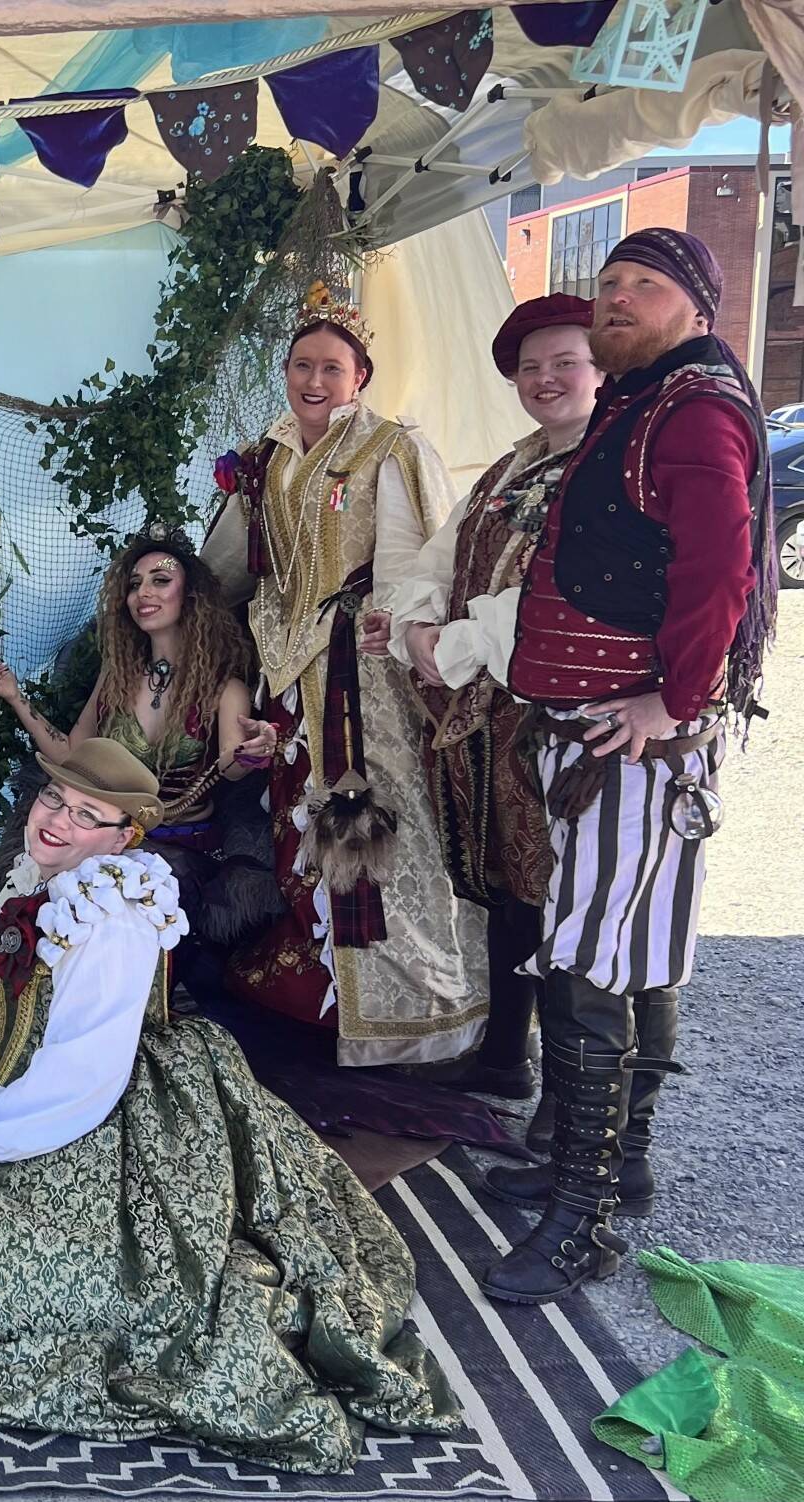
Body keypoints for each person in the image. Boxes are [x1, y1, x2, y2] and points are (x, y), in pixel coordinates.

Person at [0, 739, 460, 1471]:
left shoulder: (109, 913)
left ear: (124, 836)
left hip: (106, 1106)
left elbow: (85, 1072)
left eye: (88, 816)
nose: (57, 821)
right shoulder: (43, 877)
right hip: (48, 1096)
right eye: (53, 800)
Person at [477, 229, 774, 1305]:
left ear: (695, 303)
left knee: (593, 958)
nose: (616, 301)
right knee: (634, 943)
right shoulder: (644, 401)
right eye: (606, 286)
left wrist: (673, 698)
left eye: (642, 287)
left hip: (631, 735)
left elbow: (721, 569)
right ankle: (615, 1164)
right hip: (602, 730)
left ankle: (583, 1218)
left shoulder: (692, 408)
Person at [202, 285, 487, 1066]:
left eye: (333, 366)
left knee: (372, 814)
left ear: (360, 375)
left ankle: (399, 1001)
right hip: (283, 668)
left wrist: (386, 623)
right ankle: (315, 975)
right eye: (302, 365)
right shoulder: (264, 458)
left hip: (358, 679)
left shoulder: (388, 448)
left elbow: (414, 559)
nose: (314, 381)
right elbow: (229, 565)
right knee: (295, 815)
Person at [379, 295, 600, 1100]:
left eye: (563, 362)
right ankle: (508, 1056)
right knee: (505, 889)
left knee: (563, 899)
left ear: (600, 366)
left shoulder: (609, 463)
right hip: (488, 718)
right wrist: (416, 629)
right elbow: (438, 558)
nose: (545, 379)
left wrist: (456, 646)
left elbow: (569, 593)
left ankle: (578, 1116)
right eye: (530, 367)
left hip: (558, 721)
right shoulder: (515, 465)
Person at [0, 530, 279, 966]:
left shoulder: (224, 689)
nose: (143, 593)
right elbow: (71, 754)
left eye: (160, 580)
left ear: (191, 596)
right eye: (134, 584)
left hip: (185, 854)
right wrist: (14, 696)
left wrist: (251, 754)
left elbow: (229, 766)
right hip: (110, 836)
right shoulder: (117, 677)